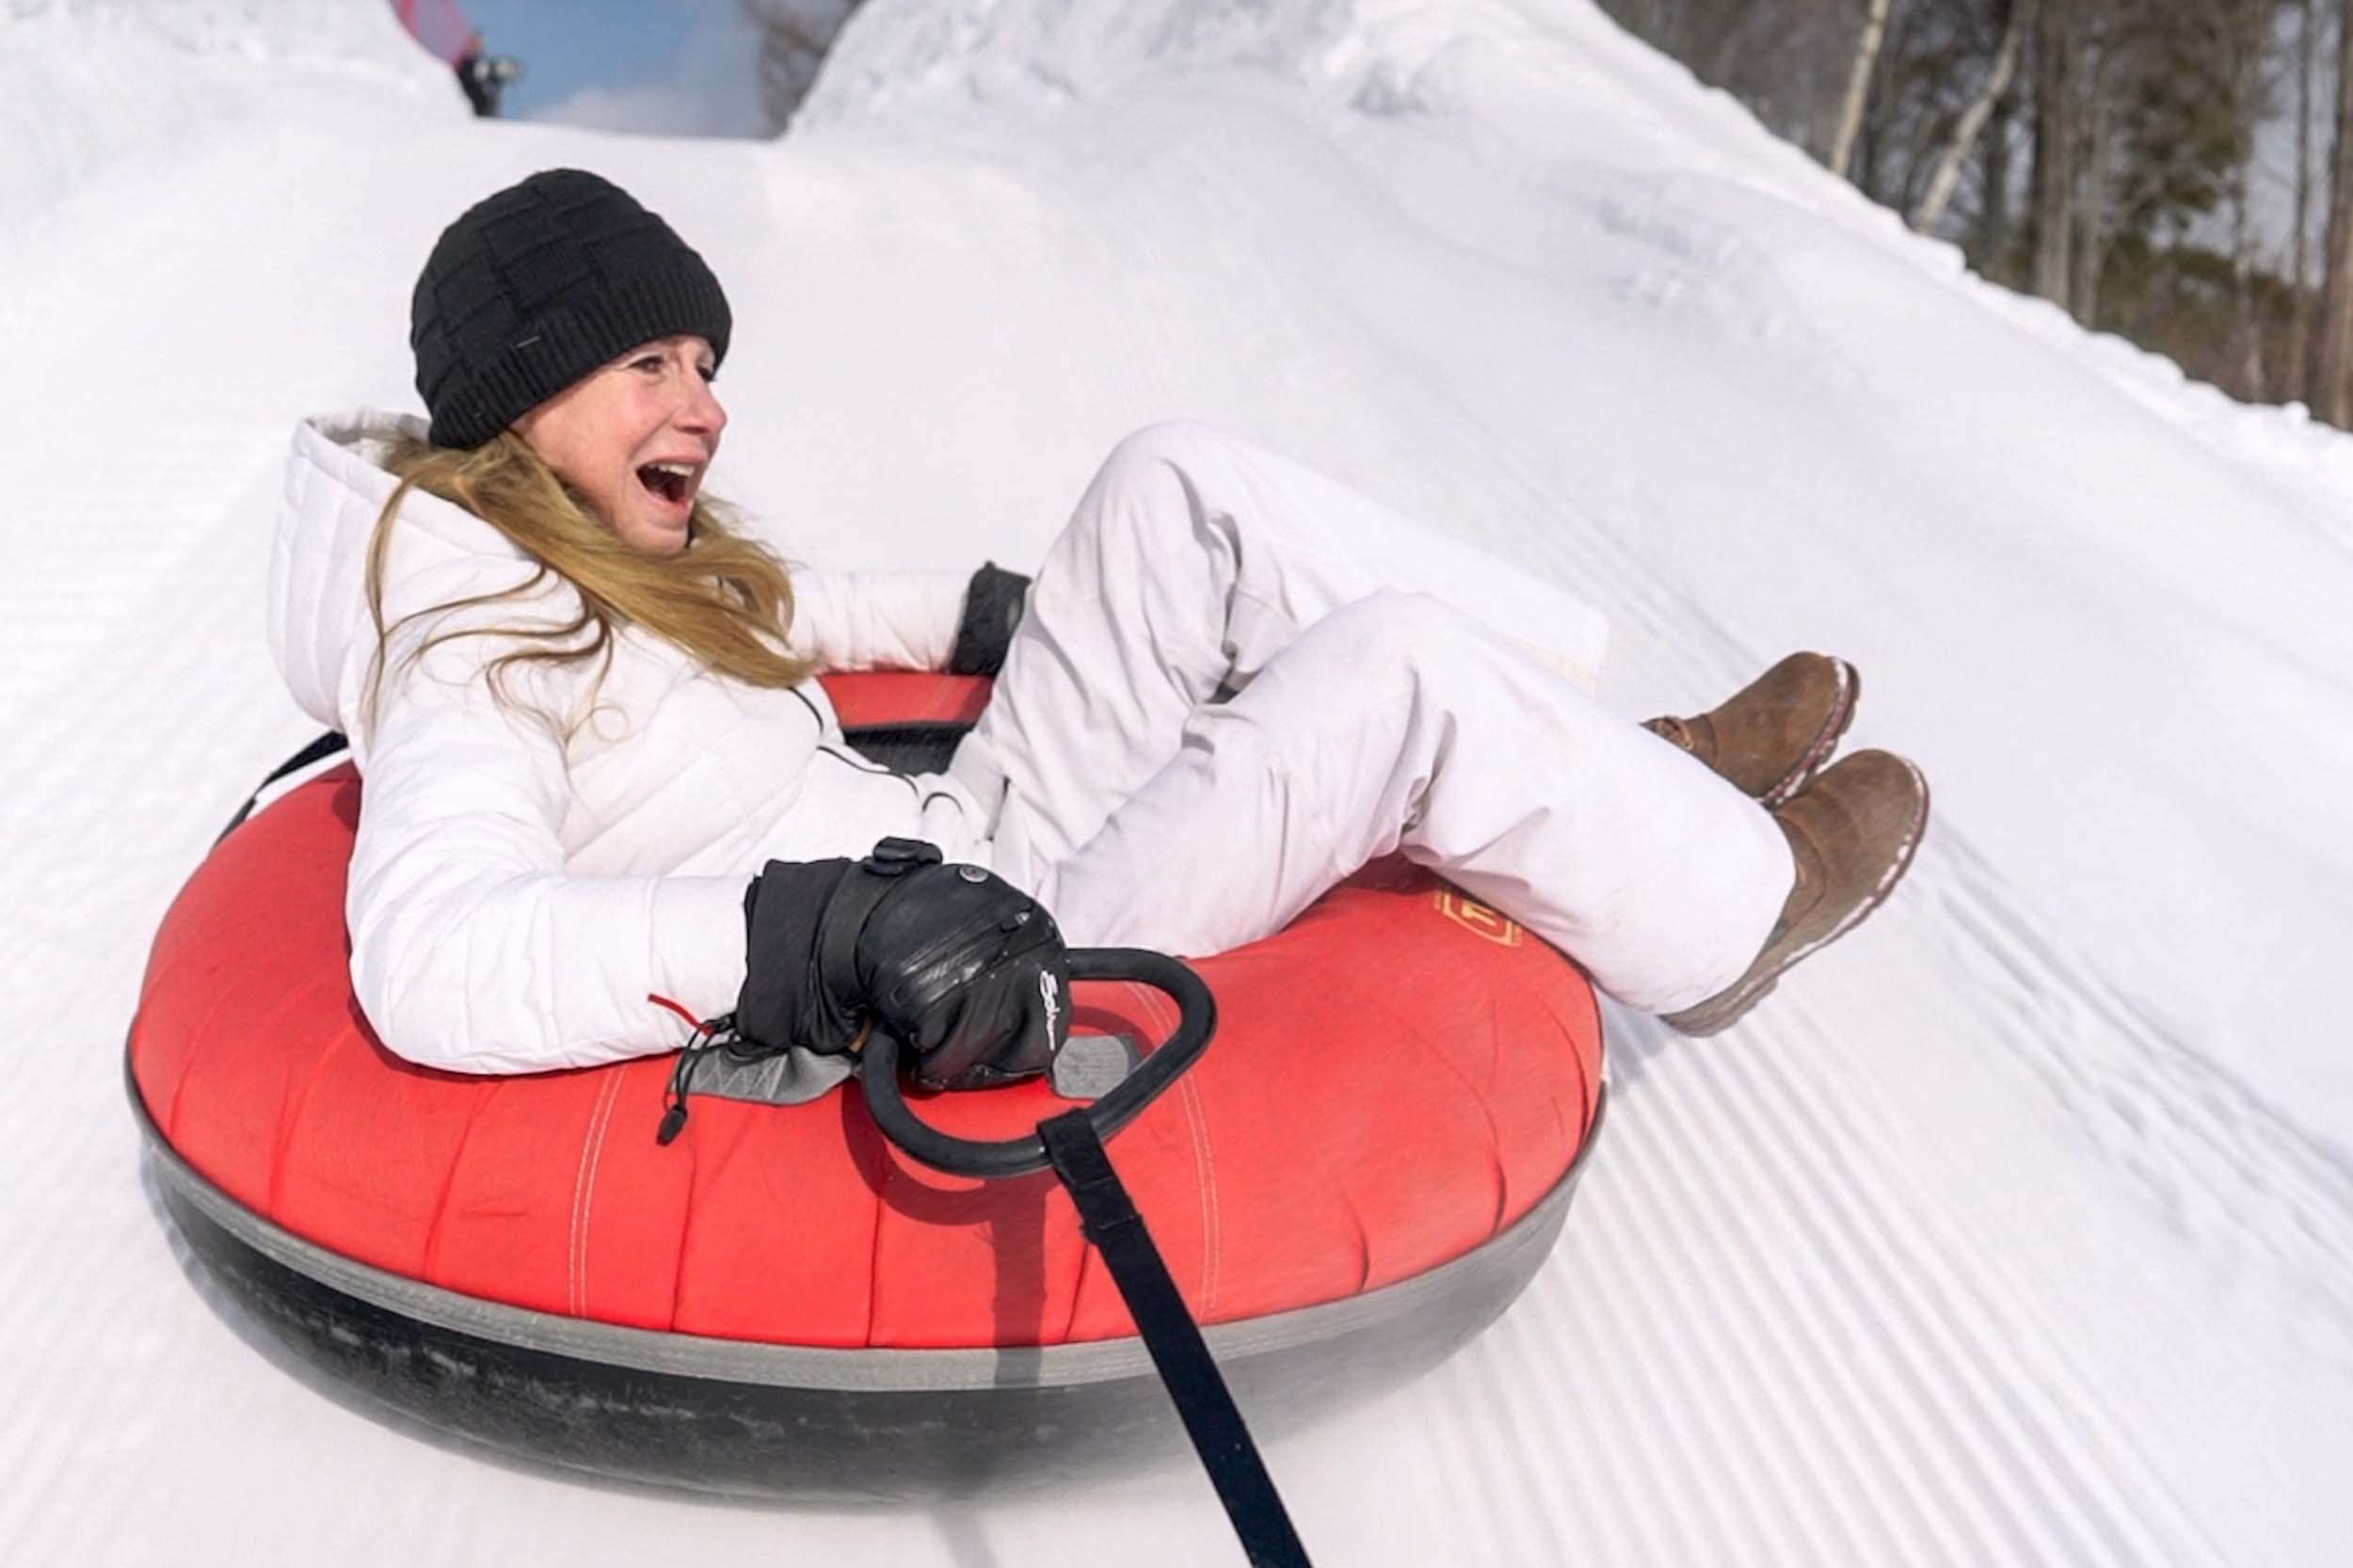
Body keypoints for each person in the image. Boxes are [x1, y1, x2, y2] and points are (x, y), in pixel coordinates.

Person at [268, 168, 1928, 1090]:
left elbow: (796, 625)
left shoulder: (589, 563)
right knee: (1394, 671)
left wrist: (996, 614)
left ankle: (1624, 766)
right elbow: (435, 959)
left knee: (1173, 482)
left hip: (967, 837)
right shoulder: (469, 650)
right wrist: (808, 938)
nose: (706, 403)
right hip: (992, 942)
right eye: (653, 365)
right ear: (519, 397)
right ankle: (1732, 915)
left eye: (705, 361)